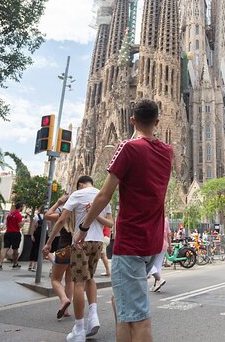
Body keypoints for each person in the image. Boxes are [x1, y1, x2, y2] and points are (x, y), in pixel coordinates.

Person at [73, 99, 173, 342]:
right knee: (123, 306)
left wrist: (84, 226)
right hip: (152, 242)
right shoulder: (167, 152)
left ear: (132, 120)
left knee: (139, 318)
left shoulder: (128, 148)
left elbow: (104, 194)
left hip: (131, 242)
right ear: (157, 122)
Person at [44, 175, 113, 342]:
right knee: (90, 279)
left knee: (79, 282)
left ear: (81, 184)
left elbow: (61, 220)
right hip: (97, 243)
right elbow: (110, 224)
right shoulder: (103, 195)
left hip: (81, 242)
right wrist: (95, 215)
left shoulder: (77, 194)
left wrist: (49, 242)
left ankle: (79, 329)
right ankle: (94, 316)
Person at [44, 193, 75, 320]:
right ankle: (67, 310)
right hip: (76, 250)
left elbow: (47, 215)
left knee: (55, 279)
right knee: (69, 281)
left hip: (63, 249)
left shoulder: (63, 214)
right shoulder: (79, 214)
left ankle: (63, 299)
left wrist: (58, 202)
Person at [0, 202, 24, 271]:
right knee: (15, 249)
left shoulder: (10, 214)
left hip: (8, 232)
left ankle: (0, 264)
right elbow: (20, 225)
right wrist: (24, 221)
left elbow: (7, 224)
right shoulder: (18, 215)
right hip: (15, 233)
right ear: (20, 207)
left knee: (5, 248)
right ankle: (15, 264)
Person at [148, 216, 171, 292]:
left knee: (147, 263)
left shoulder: (152, 218)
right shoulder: (165, 220)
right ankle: (157, 285)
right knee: (158, 266)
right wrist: (170, 246)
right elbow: (169, 234)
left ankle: (159, 279)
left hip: (153, 244)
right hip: (164, 245)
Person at [28, 206, 44, 272]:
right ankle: (34, 265)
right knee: (38, 249)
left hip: (36, 234)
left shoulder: (36, 216)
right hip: (41, 234)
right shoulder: (46, 216)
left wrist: (32, 235)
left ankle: (31, 265)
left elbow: (33, 226)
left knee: (34, 248)